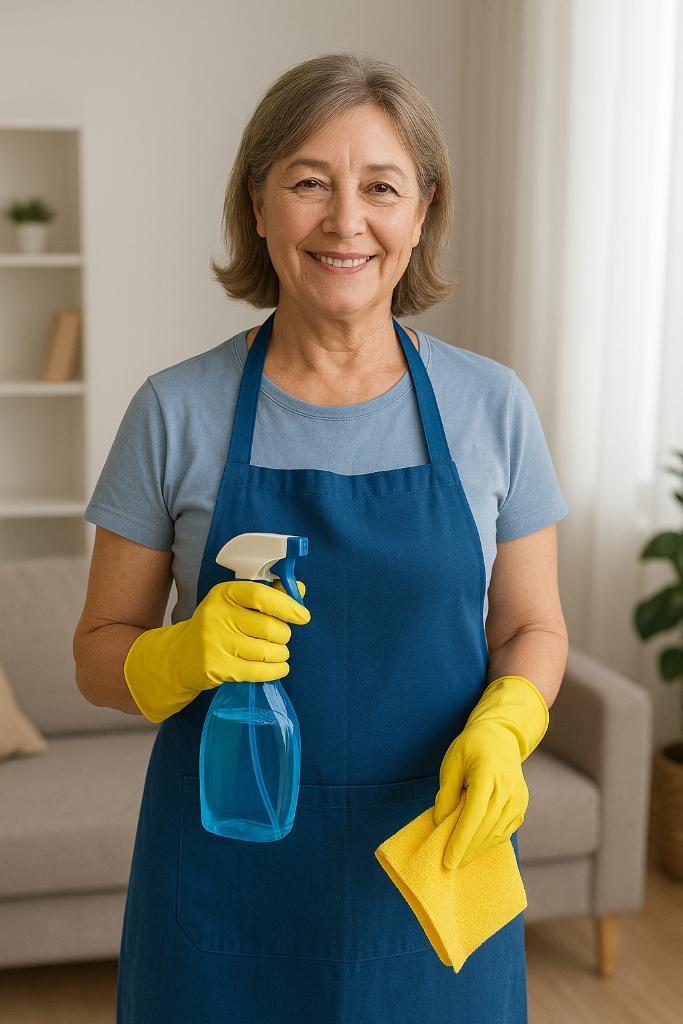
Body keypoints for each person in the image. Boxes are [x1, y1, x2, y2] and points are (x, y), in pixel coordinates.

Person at [74, 51, 569, 1023]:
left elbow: (531, 627)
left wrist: (507, 725)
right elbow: (97, 655)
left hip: (432, 877)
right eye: (309, 183)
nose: (346, 221)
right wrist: (181, 654)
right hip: (222, 886)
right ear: (257, 206)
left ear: (421, 210)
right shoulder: (175, 410)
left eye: (380, 187)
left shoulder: (491, 408)